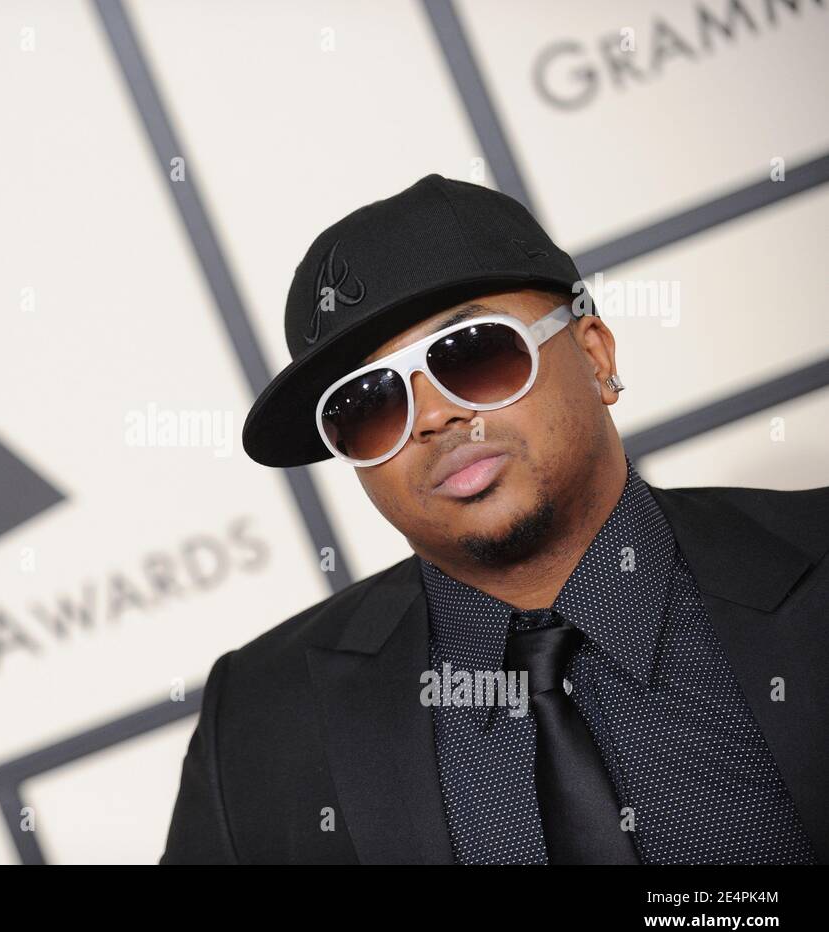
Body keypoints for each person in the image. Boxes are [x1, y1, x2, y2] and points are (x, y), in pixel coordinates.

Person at [159, 174, 828, 864]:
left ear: (596, 354)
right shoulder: (259, 723)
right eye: (369, 403)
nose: (434, 415)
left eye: (474, 353)